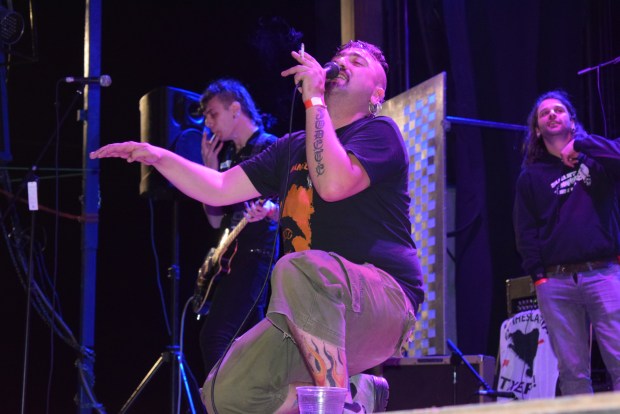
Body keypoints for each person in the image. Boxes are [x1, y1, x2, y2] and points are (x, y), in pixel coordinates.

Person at [91, 40, 424, 413]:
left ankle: (336, 404)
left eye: (357, 62)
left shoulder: (380, 132)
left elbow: (332, 184)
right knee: (224, 393)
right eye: (338, 58)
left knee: (298, 268)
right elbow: (220, 188)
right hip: (313, 308)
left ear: (376, 95)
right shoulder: (290, 148)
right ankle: (354, 394)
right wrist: (159, 157)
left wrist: (314, 100)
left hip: (385, 302)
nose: (342, 63)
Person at [513, 90, 620, 396]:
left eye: (559, 110)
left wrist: (582, 144)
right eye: (544, 113)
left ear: (572, 121)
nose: (552, 114)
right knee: (572, 372)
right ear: (537, 130)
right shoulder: (531, 177)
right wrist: (539, 277)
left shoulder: (597, 159)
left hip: (603, 272)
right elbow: (525, 231)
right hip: (556, 283)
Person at [195, 78, 279, 376]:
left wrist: (271, 210)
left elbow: (295, 204)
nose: (208, 123)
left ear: (235, 109)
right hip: (230, 259)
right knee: (251, 345)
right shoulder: (228, 157)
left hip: (255, 256)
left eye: (212, 114)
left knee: (214, 336)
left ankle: (222, 398)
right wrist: (209, 169)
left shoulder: (269, 146)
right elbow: (215, 220)